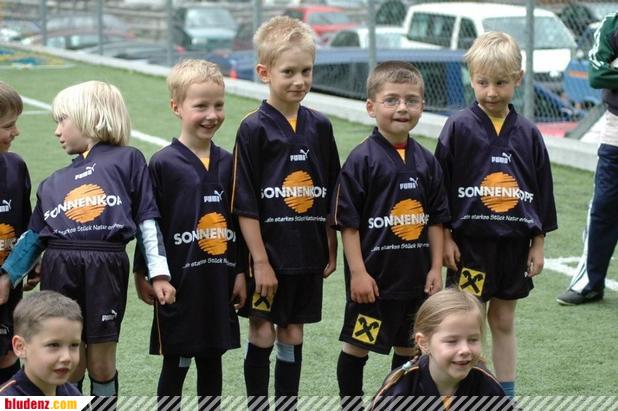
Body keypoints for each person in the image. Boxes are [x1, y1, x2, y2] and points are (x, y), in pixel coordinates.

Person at [0, 80, 176, 397]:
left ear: (89, 118)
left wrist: (159, 272)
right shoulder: (53, 182)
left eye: (62, 120)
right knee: (67, 362)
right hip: (58, 266)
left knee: (101, 364)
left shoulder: (129, 160)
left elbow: (148, 221)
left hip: (104, 267)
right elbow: (33, 237)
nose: (57, 131)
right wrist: (7, 276)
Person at [434, 31, 557, 398]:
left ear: (518, 79)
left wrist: (538, 243)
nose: (491, 92)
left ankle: (505, 397)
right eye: (482, 82)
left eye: (501, 83)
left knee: (503, 319)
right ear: (471, 78)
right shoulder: (458, 127)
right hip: (470, 248)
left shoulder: (529, 134)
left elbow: (542, 191)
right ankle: (461, 395)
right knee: (466, 322)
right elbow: (440, 187)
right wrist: (446, 237)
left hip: (513, 247)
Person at [231, 16, 341, 409]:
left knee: (293, 332)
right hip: (268, 258)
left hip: (307, 254)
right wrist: (259, 261)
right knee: (262, 330)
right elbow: (244, 203)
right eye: (288, 72)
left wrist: (330, 243)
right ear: (264, 73)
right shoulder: (253, 128)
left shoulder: (321, 126)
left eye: (306, 71)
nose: (299, 80)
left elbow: (331, 192)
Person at [331, 61, 450, 410]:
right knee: (357, 347)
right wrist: (358, 272)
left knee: (410, 350)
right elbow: (348, 224)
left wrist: (435, 269)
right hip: (374, 285)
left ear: (422, 106)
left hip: (415, 282)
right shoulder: (362, 159)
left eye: (411, 100)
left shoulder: (426, 161)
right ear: (371, 107)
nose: (402, 108)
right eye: (391, 100)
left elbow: (437, 221)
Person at [133, 59, 246, 408]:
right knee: (177, 361)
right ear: (176, 107)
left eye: (218, 105)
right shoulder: (163, 163)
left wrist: (241, 271)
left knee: (212, 361)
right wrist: (144, 272)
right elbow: (149, 221)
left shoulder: (230, 162)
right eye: (201, 106)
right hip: (178, 283)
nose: (212, 115)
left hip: (219, 280)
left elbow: (240, 222)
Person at [556, 12, 618, 306]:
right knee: (603, 206)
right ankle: (589, 283)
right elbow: (597, 75)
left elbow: (608, 73)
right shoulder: (612, 24)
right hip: (615, 132)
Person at [369, 288, 513, 410]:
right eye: (452, 341)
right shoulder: (402, 388)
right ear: (424, 343)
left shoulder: (487, 387)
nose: (465, 349)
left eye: (473, 339)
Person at [0, 82, 32, 385]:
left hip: (9, 288)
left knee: (9, 354)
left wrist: (28, 265)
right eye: (8, 126)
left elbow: (27, 229)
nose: (16, 132)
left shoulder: (16, 167)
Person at [0, 290, 82, 396]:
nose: (67, 357)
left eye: (74, 345)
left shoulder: (72, 394)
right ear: (20, 347)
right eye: (54, 345)